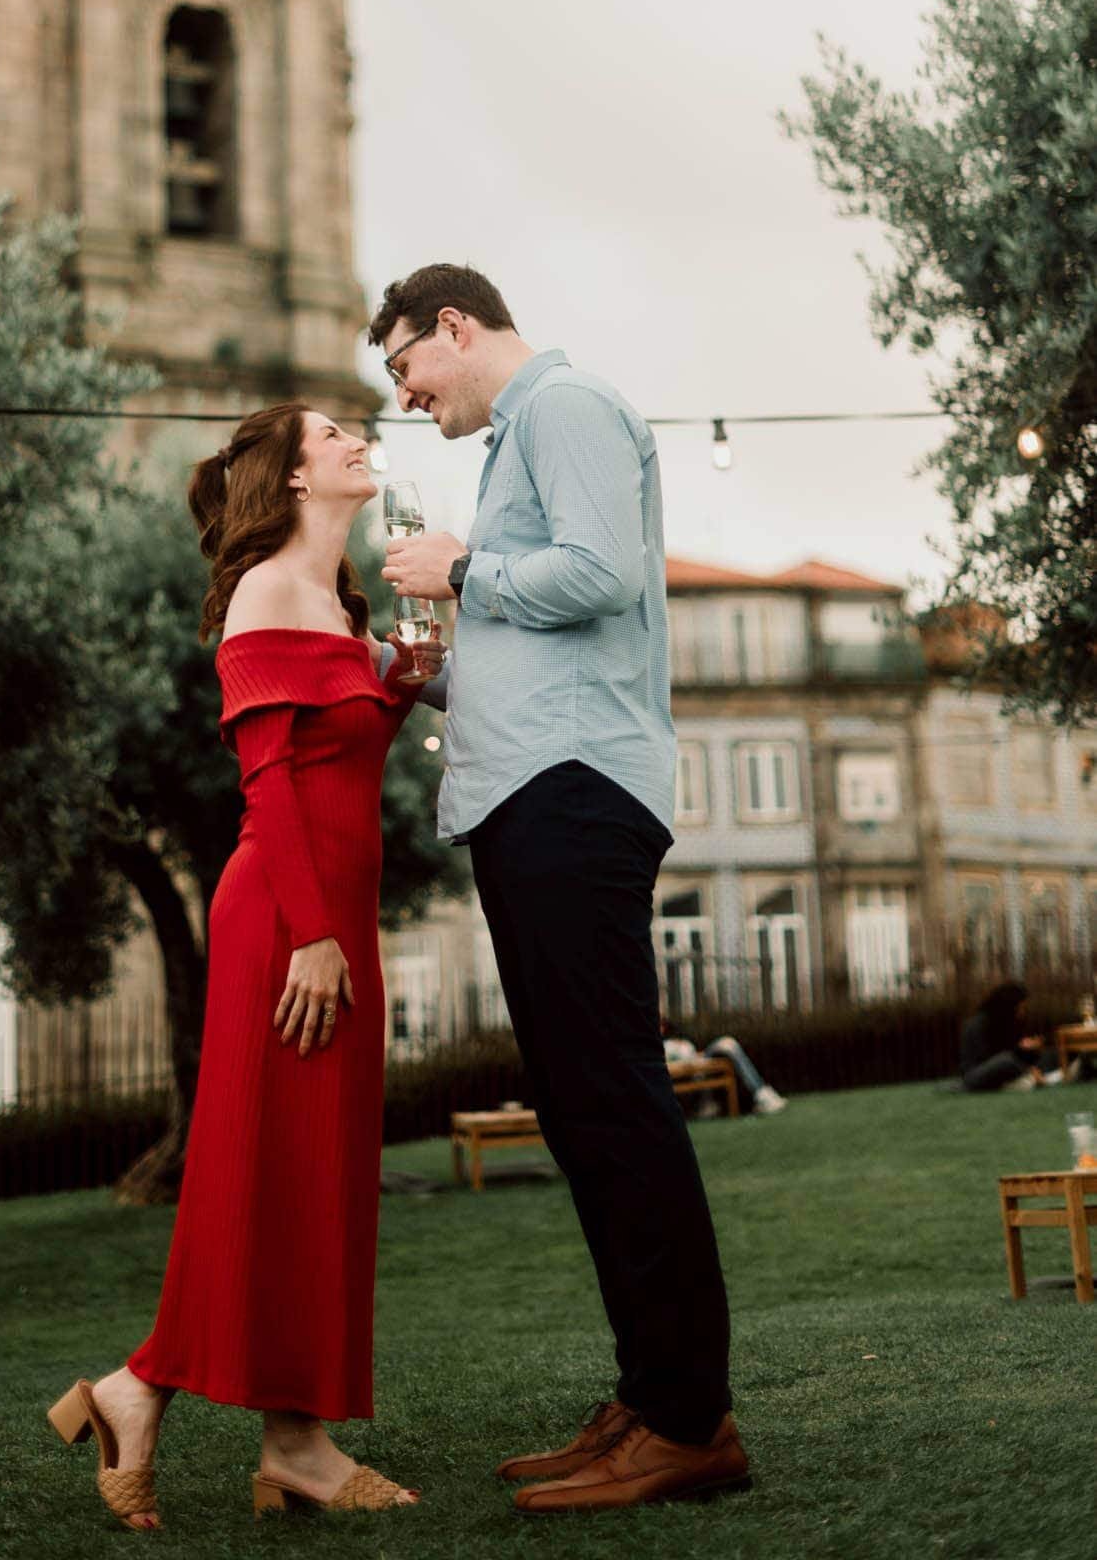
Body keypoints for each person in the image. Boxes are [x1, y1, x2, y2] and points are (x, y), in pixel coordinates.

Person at [373, 264, 750, 1513]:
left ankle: (690, 1419)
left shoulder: (569, 407)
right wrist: (410, 669)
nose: (407, 396)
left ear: (454, 325)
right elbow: (530, 641)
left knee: (615, 1099)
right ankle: (653, 1394)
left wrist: (461, 571)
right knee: (583, 1109)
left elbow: (597, 577)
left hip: (575, 791)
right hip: (531, 787)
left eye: (405, 367)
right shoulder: (515, 441)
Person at [47, 403, 444, 1531]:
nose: (357, 437)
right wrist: (315, 933)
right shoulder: (269, 589)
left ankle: (288, 1440)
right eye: (332, 433)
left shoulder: (334, 601)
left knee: (311, 1170)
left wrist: (406, 676)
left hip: (330, 918)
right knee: (257, 1162)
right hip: (288, 917)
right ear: (292, 474)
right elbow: (270, 778)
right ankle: (165, 1396)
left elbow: (340, 746)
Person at [660, 1016, 787, 1116]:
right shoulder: (662, 1046)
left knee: (728, 1044)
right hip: (694, 1069)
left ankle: (761, 1092)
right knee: (727, 1044)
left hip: (701, 1063)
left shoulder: (674, 1038)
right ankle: (761, 1094)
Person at [960, 981, 1055, 1092]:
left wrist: (1024, 1047)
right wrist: (1026, 1066)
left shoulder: (1002, 1021)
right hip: (975, 1076)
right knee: (1007, 1060)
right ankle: (1031, 1077)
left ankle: (1031, 1078)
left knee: (1046, 1055)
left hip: (1000, 1069)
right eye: (1020, 1008)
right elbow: (991, 1058)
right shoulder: (979, 1024)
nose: (1022, 1012)